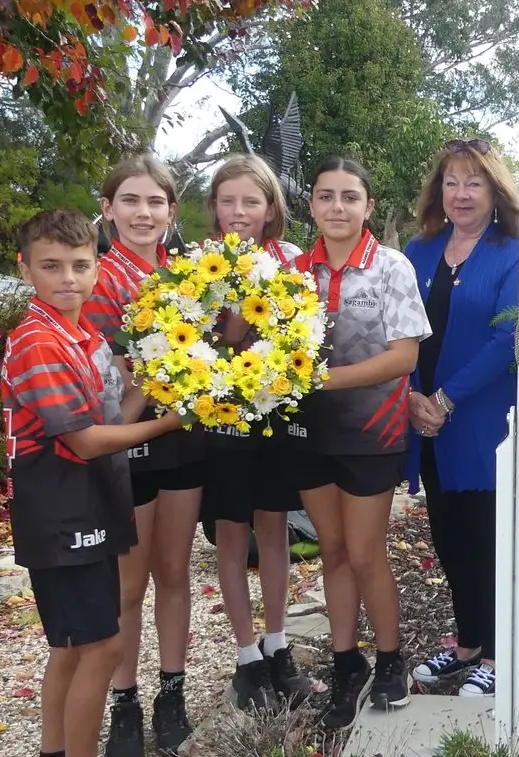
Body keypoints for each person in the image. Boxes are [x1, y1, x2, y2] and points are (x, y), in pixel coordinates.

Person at [2, 209, 183, 757]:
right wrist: (174, 422)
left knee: (70, 648)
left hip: (90, 504)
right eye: (51, 266)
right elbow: (83, 440)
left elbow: (113, 419)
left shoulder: (86, 336)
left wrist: (155, 385)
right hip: (60, 509)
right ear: (25, 268)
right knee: (102, 649)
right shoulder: (39, 342)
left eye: (80, 265)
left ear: (97, 267)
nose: (68, 279)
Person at [291, 157, 431, 729]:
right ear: (312, 206)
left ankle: (391, 657)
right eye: (326, 197)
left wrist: (327, 378)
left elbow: (405, 355)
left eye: (350, 197)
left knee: (366, 551)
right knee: (332, 551)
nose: (337, 208)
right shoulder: (295, 272)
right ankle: (346, 662)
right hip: (308, 431)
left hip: (371, 431)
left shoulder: (391, 267)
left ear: (368, 206)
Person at [82, 156, 199, 757]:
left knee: (175, 573)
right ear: (107, 209)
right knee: (129, 587)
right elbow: (116, 369)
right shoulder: (96, 277)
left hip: (181, 439)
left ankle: (171, 690)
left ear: (171, 211)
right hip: (129, 438)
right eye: (130, 201)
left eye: (155, 202)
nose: (143, 213)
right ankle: (123, 701)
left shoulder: (191, 273)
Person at [402, 137, 519, 699]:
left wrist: (445, 400)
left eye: (474, 182)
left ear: (496, 190)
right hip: (421, 419)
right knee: (448, 536)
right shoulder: (419, 250)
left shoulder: (514, 252)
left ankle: (497, 652)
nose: (461, 193)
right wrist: (409, 397)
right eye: (451, 181)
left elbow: (508, 339)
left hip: (479, 419)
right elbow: (392, 328)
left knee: (485, 537)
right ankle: (468, 643)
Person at [198, 155, 310, 711]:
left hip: (274, 415)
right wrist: (233, 327)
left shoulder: (291, 261)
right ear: (213, 207)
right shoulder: (197, 267)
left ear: (271, 210)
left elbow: (306, 335)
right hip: (218, 419)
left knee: (273, 529)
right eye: (228, 200)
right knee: (230, 533)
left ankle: (277, 643)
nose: (239, 212)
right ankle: (246, 656)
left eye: (251, 202)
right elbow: (189, 346)